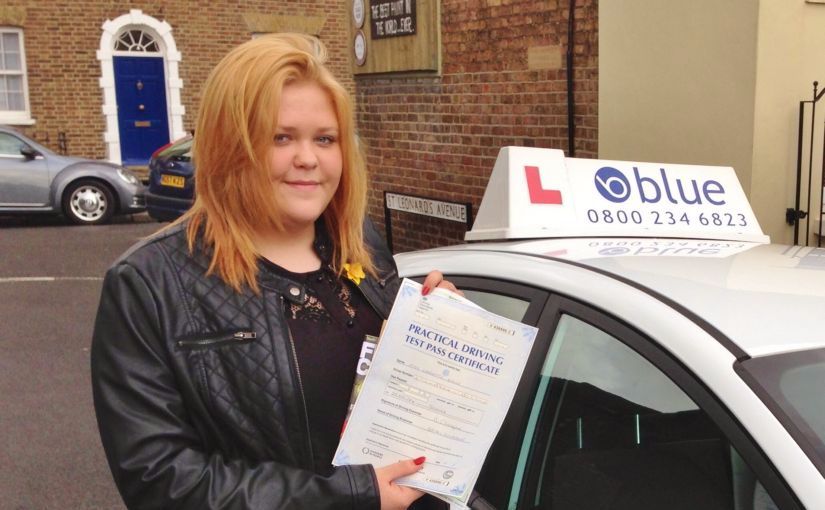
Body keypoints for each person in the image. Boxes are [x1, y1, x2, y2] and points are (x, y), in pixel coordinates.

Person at [91, 33, 457, 510]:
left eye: (325, 139)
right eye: (280, 137)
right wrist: (351, 495)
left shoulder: (359, 243)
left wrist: (438, 331)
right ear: (229, 147)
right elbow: (161, 482)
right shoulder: (149, 284)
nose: (308, 158)